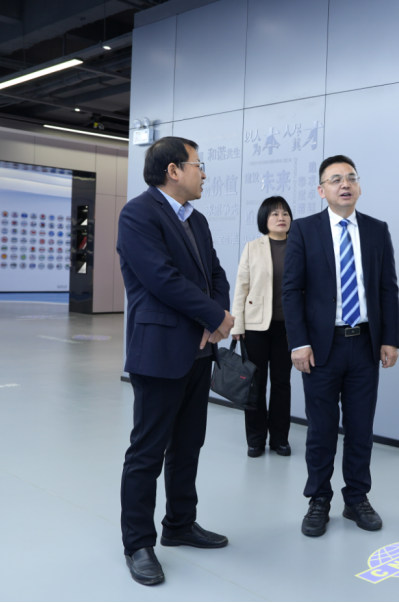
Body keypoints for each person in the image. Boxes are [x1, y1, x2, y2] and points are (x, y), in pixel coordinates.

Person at [117, 136, 234, 586]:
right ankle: (138, 543)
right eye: (198, 165)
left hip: (199, 350)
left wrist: (217, 318)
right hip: (160, 351)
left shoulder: (196, 220)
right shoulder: (138, 214)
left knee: (188, 445)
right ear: (173, 170)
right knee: (147, 451)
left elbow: (215, 274)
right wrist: (215, 317)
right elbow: (161, 279)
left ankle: (180, 524)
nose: (203, 174)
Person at [282, 155, 399, 538]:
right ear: (322, 190)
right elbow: (292, 291)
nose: (344, 184)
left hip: (365, 344)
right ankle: (319, 499)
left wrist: (390, 338)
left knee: (361, 427)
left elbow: (388, 288)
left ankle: (357, 498)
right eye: (335, 179)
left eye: (350, 177)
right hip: (321, 347)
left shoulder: (377, 230)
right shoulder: (304, 230)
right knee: (321, 429)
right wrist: (299, 343)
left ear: (359, 186)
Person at [231, 197, 294, 458]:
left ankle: (280, 439)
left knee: (282, 383)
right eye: (274, 214)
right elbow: (241, 287)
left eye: (285, 213)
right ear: (264, 220)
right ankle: (255, 439)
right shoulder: (252, 247)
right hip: (255, 327)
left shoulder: (299, 246)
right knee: (255, 384)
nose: (281, 218)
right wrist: (237, 324)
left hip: (288, 327)